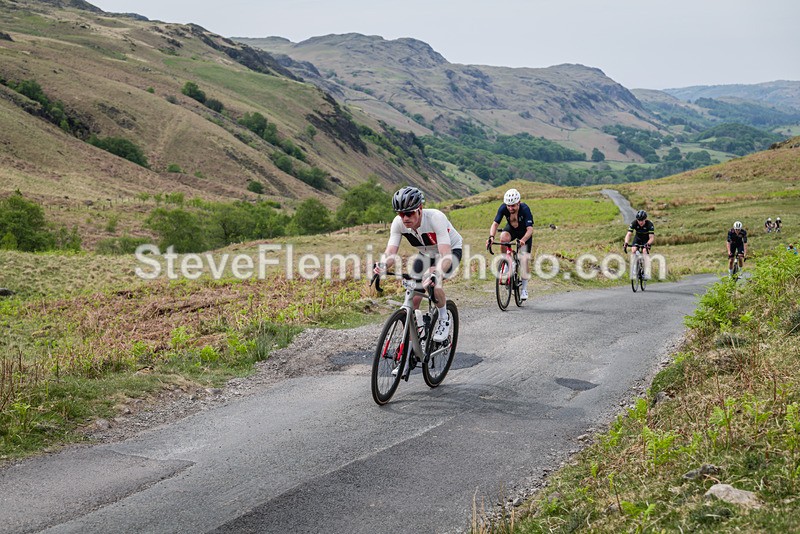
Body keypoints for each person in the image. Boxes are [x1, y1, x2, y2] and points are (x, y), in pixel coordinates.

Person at [374, 186, 463, 344]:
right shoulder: (398, 224)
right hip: (427, 254)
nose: (405, 218)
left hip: (450, 251)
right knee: (413, 299)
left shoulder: (436, 218)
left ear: (420, 209)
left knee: (434, 283)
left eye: (409, 213)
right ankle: (417, 338)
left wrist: (436, 273)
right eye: (401, 214)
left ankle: (444, 319)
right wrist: (382, 265)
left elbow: (445, 256)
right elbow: (390, 253)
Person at [486, 188, 534, 300]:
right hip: (512, 229)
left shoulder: (525, 209)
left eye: (513, 206)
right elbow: (495, 224)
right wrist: (491, 237)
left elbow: (530, 229)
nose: (510, 208)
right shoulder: (503, 208)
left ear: (518, 203)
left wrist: (523, 240)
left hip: (524, 233)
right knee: (503, 237)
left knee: (524, 260)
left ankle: (524, 289)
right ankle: (507, 262)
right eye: (508, 206)